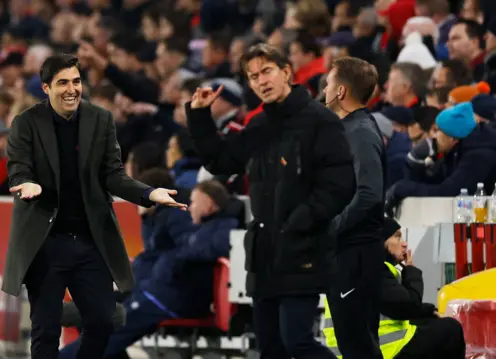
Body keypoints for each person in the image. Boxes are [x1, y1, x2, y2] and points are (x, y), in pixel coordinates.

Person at [1, 54, 185, 359]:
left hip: (89, 240)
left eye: (76, 81)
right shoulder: (26, 123)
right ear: (46, 88)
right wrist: (27, 183)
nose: (72, 89)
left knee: (103, 320)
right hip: (45, 243)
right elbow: (19, 165)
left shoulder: (100, 119)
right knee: (45, 329)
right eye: (63, 83)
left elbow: (112, 175)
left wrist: (149, 193)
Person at [186, 43, 356, 359]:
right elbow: (221, 161)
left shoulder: (320, 121)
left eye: (267, 71)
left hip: (302, 250)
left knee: (298, 342)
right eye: (253, 77)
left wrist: (301, 221)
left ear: (286, 72)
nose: (261, 81)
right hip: (264, 255)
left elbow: (340, 184)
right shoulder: (259, 124)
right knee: (270, 349)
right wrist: (199, 117)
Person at [59, 179, 238, 358]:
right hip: (157, 290)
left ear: (209, 204)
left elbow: (203, 249)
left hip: (167, 296)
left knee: (109, 330)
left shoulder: (222, 228)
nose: (190, 207)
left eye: (195, 202)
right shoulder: (197, 228)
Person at [323, 217, 466, 359]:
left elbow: (390, 306)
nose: (404, 244)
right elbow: (408, 306)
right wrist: (411, 271)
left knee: (430, 324)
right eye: (397, 237)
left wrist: (429, 311)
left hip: (343, 353)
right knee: (451, 329)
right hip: (385, 350)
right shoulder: (374, 269)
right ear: (381, 240)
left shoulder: (349, 267)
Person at [322, 57, 386, 359]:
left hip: (356, 254)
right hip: (347, 253)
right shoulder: (350, 128)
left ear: (341, 92)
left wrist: (331, 228)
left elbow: (369, 194)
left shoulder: (359, 131)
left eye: (328, 84)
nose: (323, 90)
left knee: (358, 345)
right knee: (352, 343)